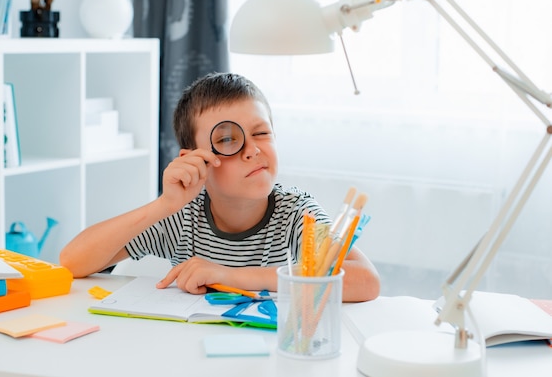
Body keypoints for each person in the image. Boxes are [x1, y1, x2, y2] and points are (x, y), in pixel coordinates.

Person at [60, 72, 380, 302]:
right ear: (194, 159)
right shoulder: (180, 217)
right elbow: (72, 262)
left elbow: (364, 280)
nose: (252, 149)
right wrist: (164, 205)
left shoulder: (296, 213)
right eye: (228, 139)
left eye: (261, 133)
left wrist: (229, 275)